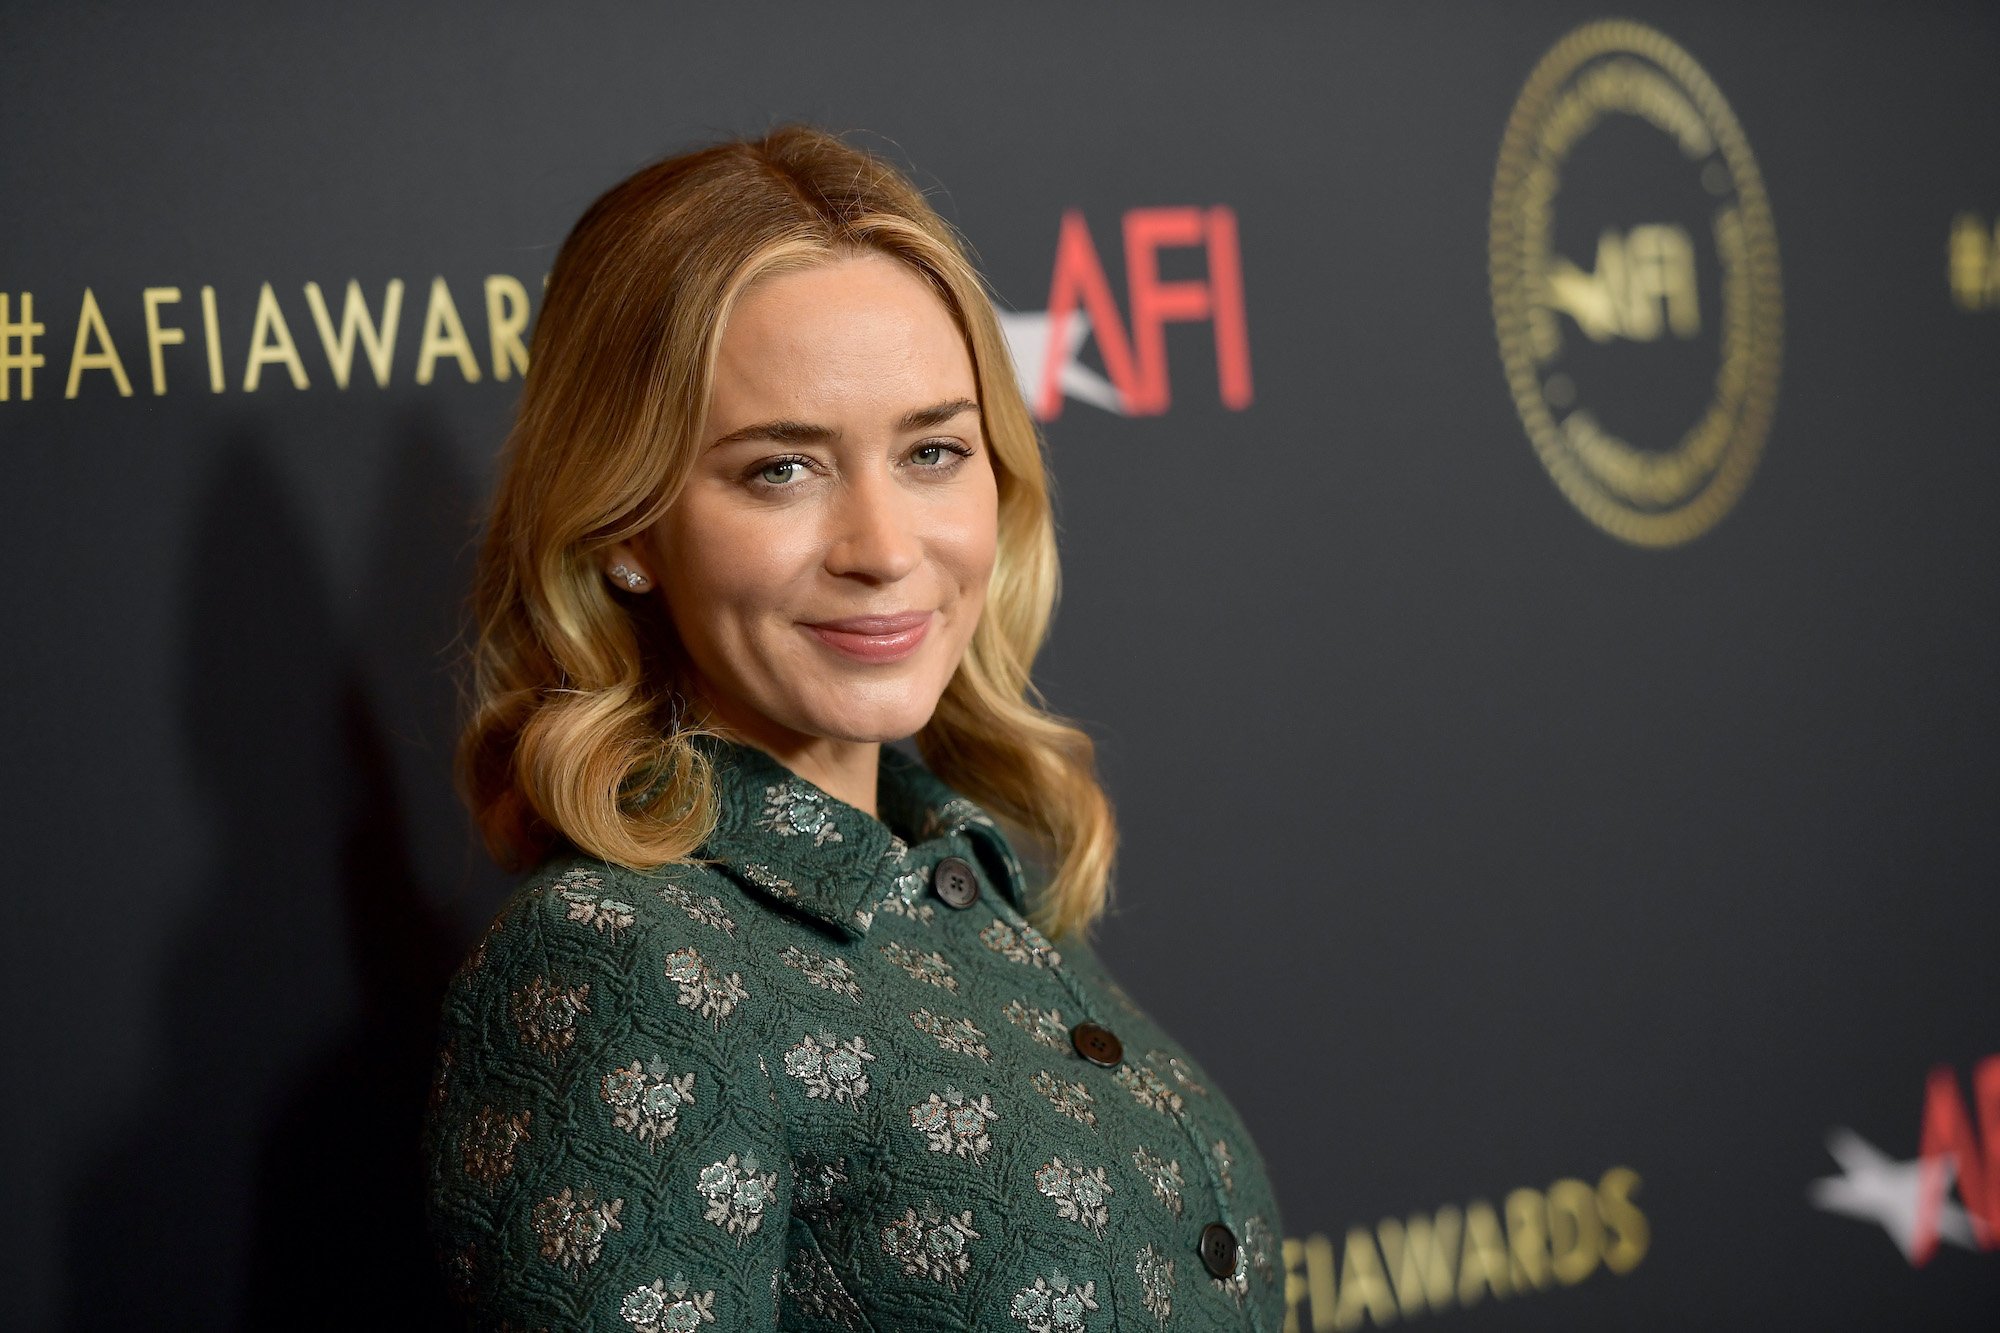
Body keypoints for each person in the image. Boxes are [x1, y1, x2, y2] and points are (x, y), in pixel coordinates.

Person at [421, 124, 1285, 1332]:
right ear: (624, 528)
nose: (883, 548)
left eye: (933, 450)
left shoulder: (966, 886)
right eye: (781, 469)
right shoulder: (623, 960)